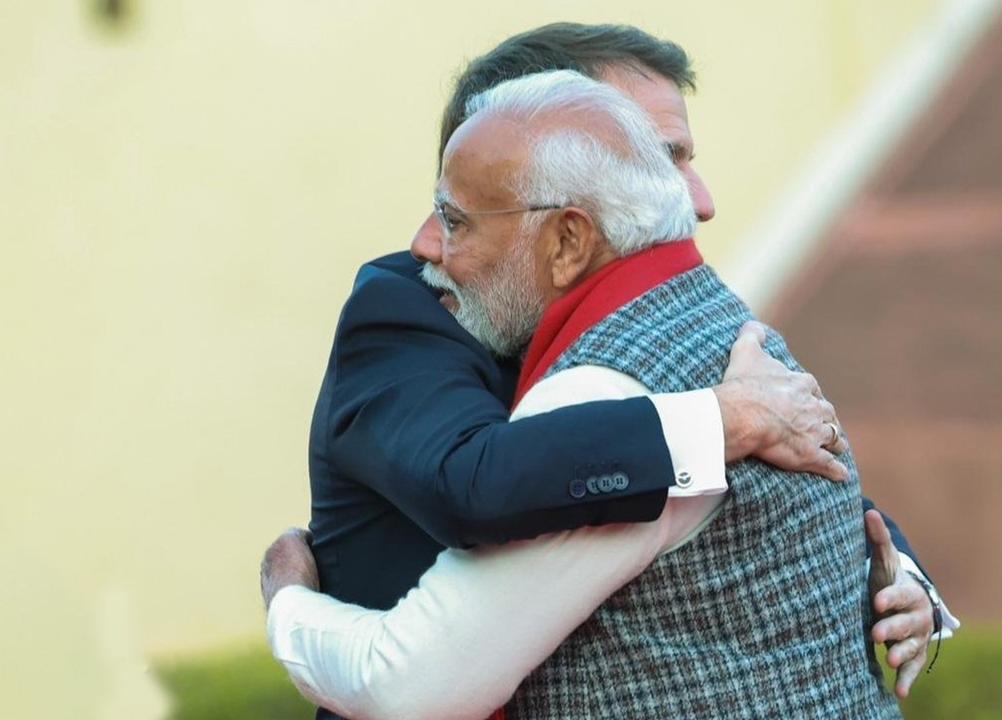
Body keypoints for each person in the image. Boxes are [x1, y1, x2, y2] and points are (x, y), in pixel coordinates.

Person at [263, 22, 957, 718]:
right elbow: (476, 484)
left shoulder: (667, 333)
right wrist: (720, 420)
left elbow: (774, 494)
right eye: (657, 157)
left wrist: (894, 573)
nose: (697, 198)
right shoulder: (412, 313)